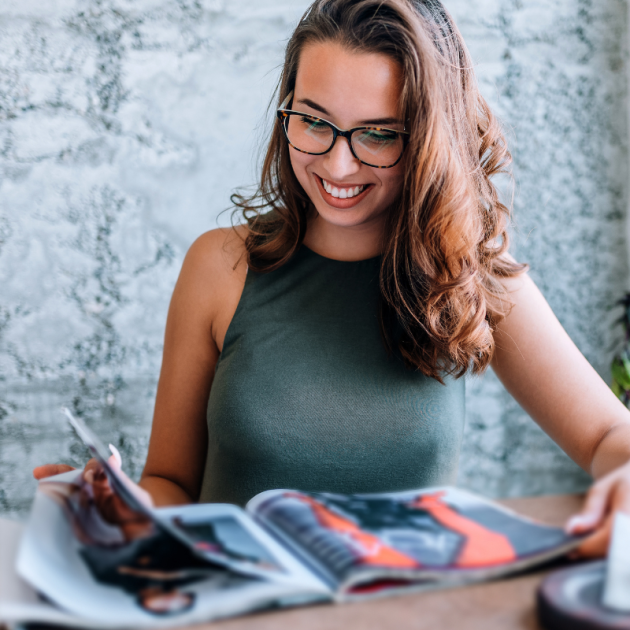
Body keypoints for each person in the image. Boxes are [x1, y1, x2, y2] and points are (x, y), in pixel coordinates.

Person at [35, 0, 630, 559]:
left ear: (428, 138)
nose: (338, 165)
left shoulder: (467, 277)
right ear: (286, 107)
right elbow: (169, 482)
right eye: (314, 121)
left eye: (378, 134)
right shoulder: (219, 268)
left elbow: (608, 435)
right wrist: (123, 508)